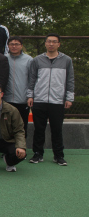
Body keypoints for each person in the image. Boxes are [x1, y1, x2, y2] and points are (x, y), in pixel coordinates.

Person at [27, 33, 74, 166]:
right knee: (39, 129)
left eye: (54, 42)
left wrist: (69, 98)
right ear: (45, 43)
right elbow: (32, 79)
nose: (51, 44)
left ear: (59, 44)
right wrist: (30, 96)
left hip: (57, 101)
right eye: (49, 41)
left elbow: (70, 79)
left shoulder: (66, 60)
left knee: (57, 129)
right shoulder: (37, 60)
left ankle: (58, 155)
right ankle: (38, 154)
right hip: (39, 100)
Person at [4, 36, 33, 130]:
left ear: (21, 46)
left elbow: (32, 79)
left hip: (23, 99)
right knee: (7, 127)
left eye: (17, 44)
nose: (14, 46)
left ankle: (22, 141)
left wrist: (30, 96)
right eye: (11, 44)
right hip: (7, 99)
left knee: (22, 126)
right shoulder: (4, 58)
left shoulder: (29, 60)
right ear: (8, 46)